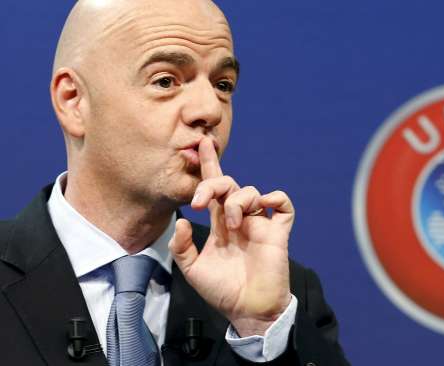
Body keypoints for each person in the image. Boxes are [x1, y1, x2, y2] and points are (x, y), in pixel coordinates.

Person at [0, 0, 350, 365]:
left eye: (223, 84)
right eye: (166, 81)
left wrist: (260, 329)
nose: (210, 110)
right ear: (74, 101)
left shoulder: (282, 294)